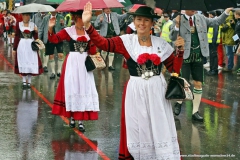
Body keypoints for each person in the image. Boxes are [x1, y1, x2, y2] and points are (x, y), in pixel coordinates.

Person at [83, 2, 185, 159]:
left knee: (158, 124)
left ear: (152, 23)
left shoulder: (161, 44)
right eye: (138, 20)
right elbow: (103, 43)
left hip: (157, 91)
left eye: (146, 20)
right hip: (136, 91)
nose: (141, 24)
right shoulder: (126, 41)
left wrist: (180, 51)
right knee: (138, 125)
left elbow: (174, 70)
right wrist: (88, 25)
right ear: (134, 21)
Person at [170, 8, 232, 122]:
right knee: (184, 83)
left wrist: (226, 12)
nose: (193, 10)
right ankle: (179, 103)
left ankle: (195, 112)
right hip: (184, 56)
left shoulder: (201, 18)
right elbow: (172, 37)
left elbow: (216, 21)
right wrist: (177, 26)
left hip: (198, 56)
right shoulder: (177, 19)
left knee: (198, 83)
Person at [48, 10, 99, 132]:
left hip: (85, 63)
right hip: (72, 62)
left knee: (84, 88)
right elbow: (54, 40)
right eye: (83, 18)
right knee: (72, 87)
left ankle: (80, 121)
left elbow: (93, 50)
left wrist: (92, 44)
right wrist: (50, 28)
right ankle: (71, 118)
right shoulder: (68, 31)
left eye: (87, 18)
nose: (85, 20)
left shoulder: (89, 31)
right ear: (76, 18)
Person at [12, 12, 43, 89]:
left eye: (29, 15)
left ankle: (29, 82)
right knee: (23, 61)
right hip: (22, 45)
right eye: (26, 15)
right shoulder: (19, 24)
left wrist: (36, 32)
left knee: (30, 62)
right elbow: (16, 36)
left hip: (30, 45)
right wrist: (14, 48)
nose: (27, 17)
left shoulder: (33, 25)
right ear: (22, 16)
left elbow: (36, 38)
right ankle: (23, 81)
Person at [39, 10, 65, 78]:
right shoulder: (46, 18)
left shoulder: (61, 17)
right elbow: (41, 28)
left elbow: (64, 28)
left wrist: (63, 24)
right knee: (51, 55)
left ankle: (59, 71)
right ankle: (53, 72)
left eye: (55, 9)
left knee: (61, 54)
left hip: (59, 38)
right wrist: (38, 38)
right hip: (49, 38)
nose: (53, 11)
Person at [207, 11, 221, 76]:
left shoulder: (215, 21)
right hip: (211, 41)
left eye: (209, 14)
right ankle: (212, 68)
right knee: (212, 55)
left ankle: (214, 69)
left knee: (213, 55)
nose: (208, 15)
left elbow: (215, 33)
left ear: (211, 15)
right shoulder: (213, 20)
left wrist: (213, 41)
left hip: (213, 41)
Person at [233, 10, 240, 76]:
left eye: (235, 14)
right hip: (238, 41)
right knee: (238, 55)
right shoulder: (237, 21)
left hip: (239, 41)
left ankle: (238, 68)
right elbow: (236, 31)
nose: (234, 16)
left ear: (238, 15)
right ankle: (238, 68)